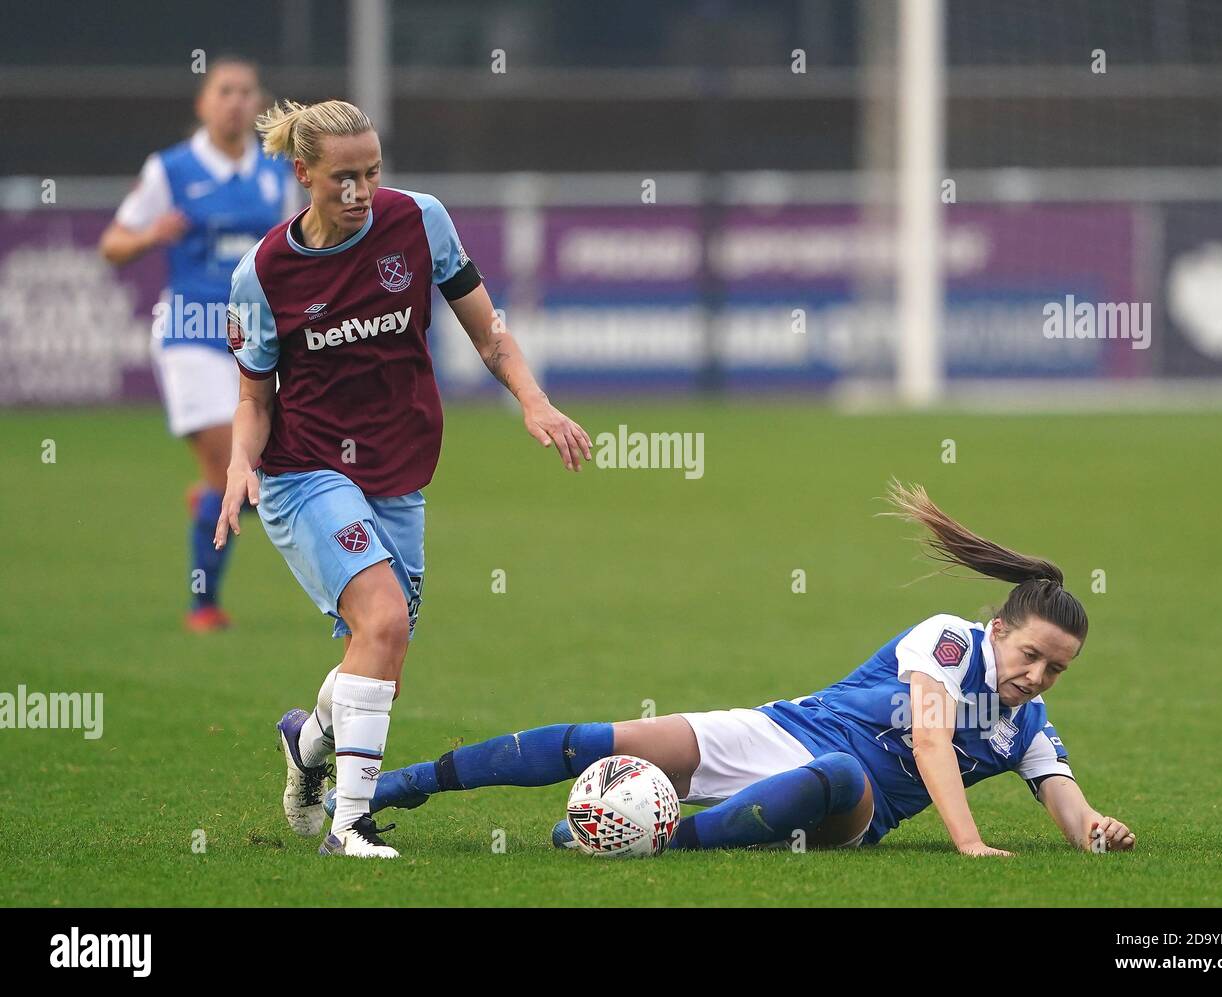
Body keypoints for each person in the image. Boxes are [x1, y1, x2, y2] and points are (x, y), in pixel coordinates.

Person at [329, 481, 1136, 856]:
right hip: (776, 728)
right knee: (597, 738)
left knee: (833, 773)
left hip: (847, 803)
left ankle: (657, 838)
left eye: (1057, 669)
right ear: (999, 629)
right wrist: (969, 843)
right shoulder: (950, 642)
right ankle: (387, 789)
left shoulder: (1026, 726)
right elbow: (930, 741)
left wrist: (1095, 829)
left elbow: (1067, 802)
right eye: (1031, 653)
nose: (1038, 675)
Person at [216, 98, 592, 859]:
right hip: (304, 470)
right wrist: (236, 464)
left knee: (381, 652)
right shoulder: (262, 273)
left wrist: (534, 401)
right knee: (383, 621)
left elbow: (489, 333)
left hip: (398, 469)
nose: (359, 192)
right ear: (302, 174)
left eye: (371, 174)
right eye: (341, 178)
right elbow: (256, 397)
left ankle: (307, 743)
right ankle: (348, 827)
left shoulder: (420, 221)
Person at [101, 55, 298, 632]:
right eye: (225, 90)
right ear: (203, 103)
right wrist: (148, 235)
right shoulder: (172, 169)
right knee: (233, 468)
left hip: (255, 337)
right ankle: (202, 606)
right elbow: (112, 244)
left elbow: (291, 247)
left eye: (246, 91)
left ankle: (208, 508)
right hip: (191, 332)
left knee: (268, 474)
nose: (236, 100)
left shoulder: (276, 171)